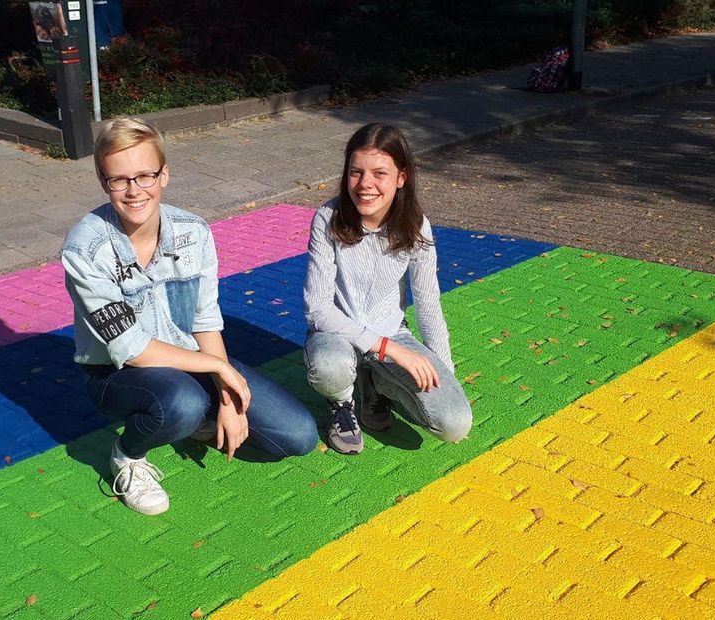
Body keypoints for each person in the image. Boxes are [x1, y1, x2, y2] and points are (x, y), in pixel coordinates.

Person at [62, 118, 318, 515]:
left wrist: (227, 396)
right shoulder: (86, 249)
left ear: (164, 174)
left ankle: (200, 414)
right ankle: (128, 455)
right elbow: (131, 350)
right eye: (119, 180)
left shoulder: (194, 232)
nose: (134, 191)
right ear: (103, 181)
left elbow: (205, 318)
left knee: (297, 436)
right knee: (181, 401)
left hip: (191, 359)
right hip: (116, 375)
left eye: (145, 175)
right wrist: (221, 371)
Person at [303, 123, 473, 454]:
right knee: (328, 366)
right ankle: (342, 402)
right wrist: (387, 350)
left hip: (393, 334)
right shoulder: (328, 217)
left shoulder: (415, 225)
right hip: (336, 334)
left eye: (379, 173)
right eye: (356, 172)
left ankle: (375, 384)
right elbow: (318, 308)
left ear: (401, 177)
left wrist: (445, 375)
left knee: (454, 423)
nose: (365, 184)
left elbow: (428, 305)